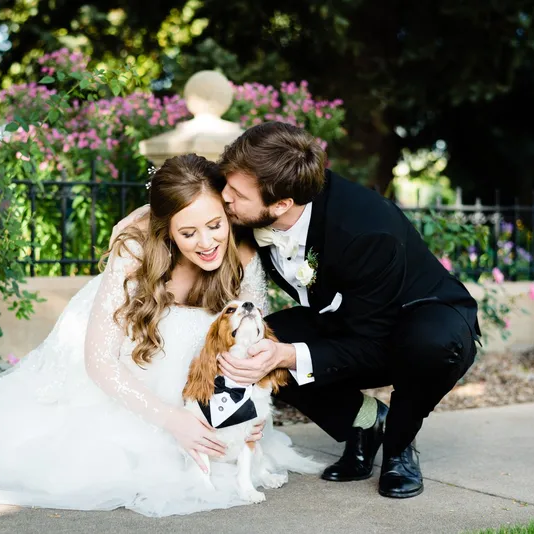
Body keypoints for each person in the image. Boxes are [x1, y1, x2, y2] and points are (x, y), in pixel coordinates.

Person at [0, 153, 321, 517]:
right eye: (188, 233)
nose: (207, 242)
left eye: (215, 226)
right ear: (166, 230)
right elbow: (99, 363)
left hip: (197, 384)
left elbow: (248, 346)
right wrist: (173, 420)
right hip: (127, 370)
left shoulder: (243, 254)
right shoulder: (137, 252)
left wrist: (246, 412)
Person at [112, 122, 480, 499]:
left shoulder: (367, 230)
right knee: (257, 347)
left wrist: (288, 355)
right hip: (347, 318)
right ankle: (365, 422)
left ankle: (399, 445)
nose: (225, 198)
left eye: (236, 194)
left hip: (424, 316)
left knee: (427, 345)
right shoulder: (255, 194)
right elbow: (187, 195)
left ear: (281, 205)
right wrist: (146, 218)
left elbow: (372, 341)